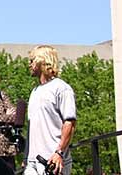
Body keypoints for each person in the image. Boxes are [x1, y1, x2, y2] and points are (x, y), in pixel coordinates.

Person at [24, 45, 77, 175]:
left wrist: (59, 152)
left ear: (43, 61)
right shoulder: (34, 92)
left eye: (32, 60)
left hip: (53, 160)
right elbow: (32, 127)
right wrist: (26, 157)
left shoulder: (62, 88)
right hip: (32, 161)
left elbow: (69, 122)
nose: (29, 65)